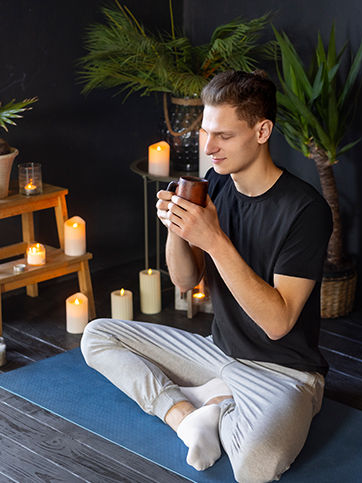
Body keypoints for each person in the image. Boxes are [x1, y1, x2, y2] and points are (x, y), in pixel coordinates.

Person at [81, 70, 333, 483]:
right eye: (205, 132)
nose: (209, 147)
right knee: (97, 336)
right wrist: (177, 229)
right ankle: (188, 416)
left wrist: (214, 240)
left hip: (285, 372)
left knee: (254, 468)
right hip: (217, 354)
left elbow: (278, 323)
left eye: (224, 136)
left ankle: (213, 404)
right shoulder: (215, 184)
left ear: (262, 130)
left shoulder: (306, 211)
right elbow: (184, 281)